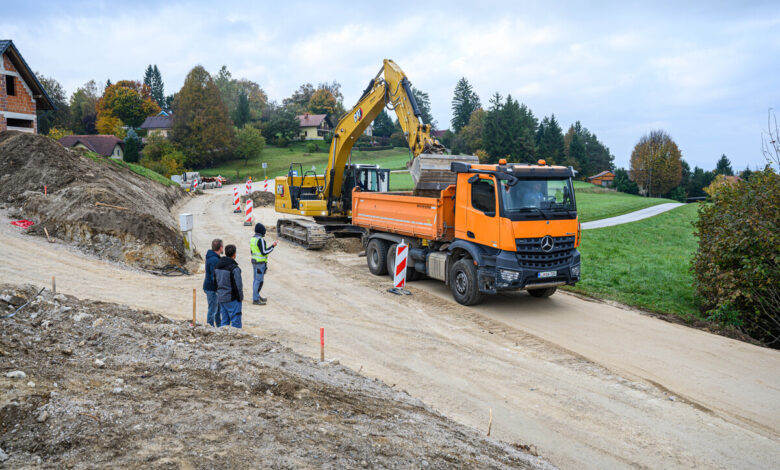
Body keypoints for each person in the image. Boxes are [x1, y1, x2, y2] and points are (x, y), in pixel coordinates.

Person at [215, 244, 243, 328]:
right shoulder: (234, 269)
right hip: (232, 299)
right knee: (236, 322)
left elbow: (215, 282)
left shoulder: (217, 266)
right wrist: (240, 298)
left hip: (221, 298)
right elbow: (238, 286)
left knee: (224, 321)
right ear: (234, 254)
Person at [250, 223, 278, 305]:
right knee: (258, 281)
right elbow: (264, 252)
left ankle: (257, 295)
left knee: (256, 280)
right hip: (260, 263)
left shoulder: (253, 239)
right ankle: (255, 299)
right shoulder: (260, 240)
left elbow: (252, 251)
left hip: (254, 262)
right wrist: (273, 246)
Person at [203, 238, 223, 327]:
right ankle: (210, 327)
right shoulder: (214, 260)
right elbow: (214, 277)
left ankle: (219, 326)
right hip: (212, 289)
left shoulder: (212, 257)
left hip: (213, 288)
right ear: (221, 248)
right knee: (213, 310)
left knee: (217, 309)